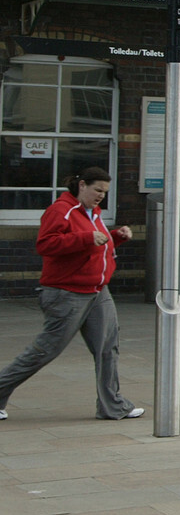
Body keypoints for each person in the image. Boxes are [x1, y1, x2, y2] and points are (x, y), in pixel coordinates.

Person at [0, 166, 143, 421]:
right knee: (45, 351)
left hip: (98, 291)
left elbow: (94, 244)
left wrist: (115, 237)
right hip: (66, 293)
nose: (101, 196)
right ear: (82, 186)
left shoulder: (93, 212)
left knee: (107, 348)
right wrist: (88, 239)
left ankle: (113, 406)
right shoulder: (61, 210)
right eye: (97, 190)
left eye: (105, 192)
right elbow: (46, 244)